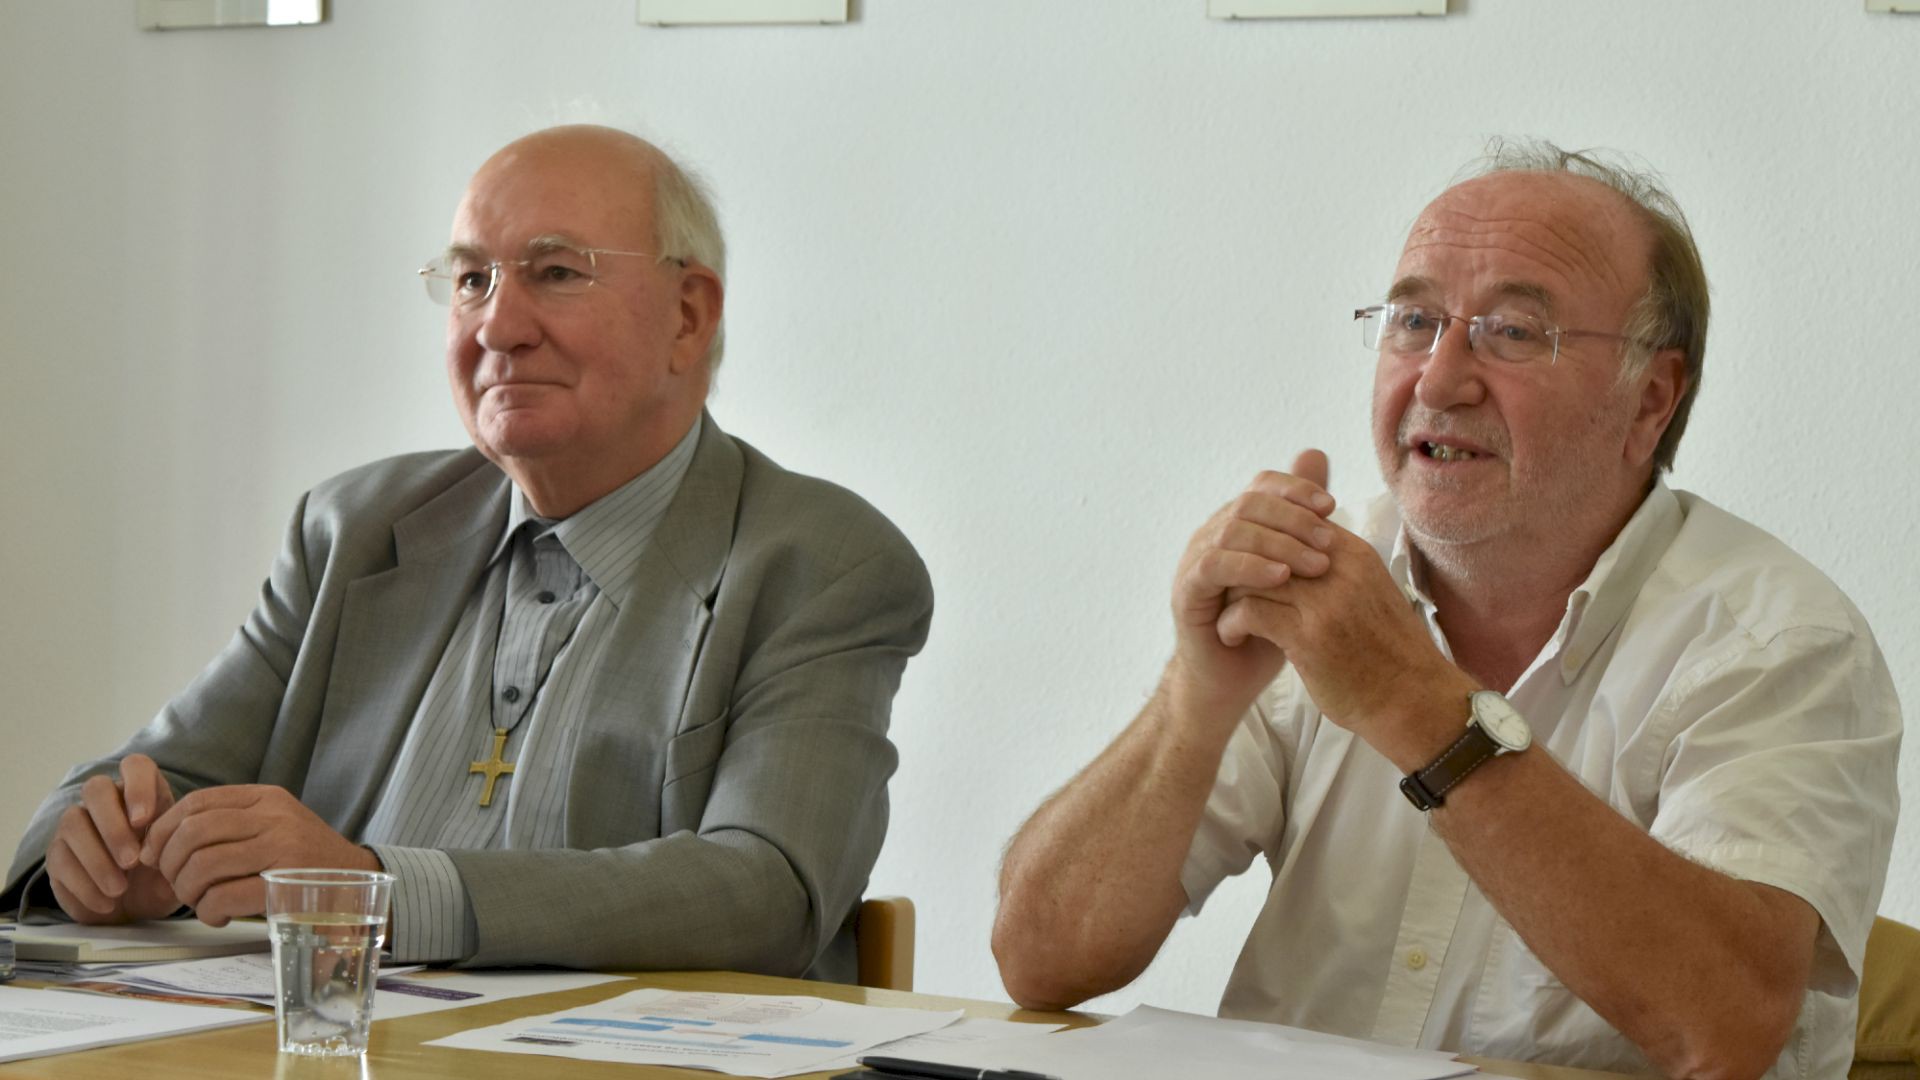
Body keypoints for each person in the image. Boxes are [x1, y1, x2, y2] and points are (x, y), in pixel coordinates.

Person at [992, 141, 1901, 1079]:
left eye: (1512, 332)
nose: (1436, 380)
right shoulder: (1326, 580)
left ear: (1652, 398)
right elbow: (1041, 964)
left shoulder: (1782, 644)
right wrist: (1196, 699)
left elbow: (1725, 1029)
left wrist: (1417, 706)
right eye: (1414, 321)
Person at [2, 125, 934, 981]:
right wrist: (99, 859)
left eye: (557, 273)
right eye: (470, 279)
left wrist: (378, 892)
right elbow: (148, 782)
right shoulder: (355, 530)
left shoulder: (821, 564)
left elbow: (764, 890)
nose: (497, 324)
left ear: (688, 316)